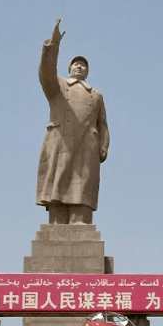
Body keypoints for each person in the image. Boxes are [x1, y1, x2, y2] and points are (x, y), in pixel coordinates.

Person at [36, 18, 110, 225]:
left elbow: (102, 124)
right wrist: (54, 45)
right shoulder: (57, 86)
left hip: (87, 144)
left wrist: (103, 146)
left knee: (82, 184)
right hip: (60, 141)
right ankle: (57, 221)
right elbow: (46, 72)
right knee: (58, 183)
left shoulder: (96, 95)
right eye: (76, 64)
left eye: (83, 65)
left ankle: (81, 221)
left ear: (87, 72)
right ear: (69, 69)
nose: (79, 66)